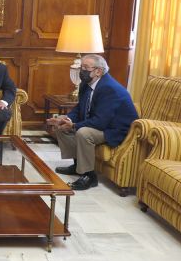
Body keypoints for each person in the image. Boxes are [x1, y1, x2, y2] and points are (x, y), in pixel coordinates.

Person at [46, 54, 138, 191]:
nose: (81, 71)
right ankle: (78, 166)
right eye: (81, 67)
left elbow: (100, 122)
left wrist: (74, 126)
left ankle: (89, 176)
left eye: (85, 68)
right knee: (62, 126)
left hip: (115, 130)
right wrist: (65, 119)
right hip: (102, 124)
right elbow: (79, 108)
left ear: (98, 71)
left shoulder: (109, 88)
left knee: (84, 133)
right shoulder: (86, 84)